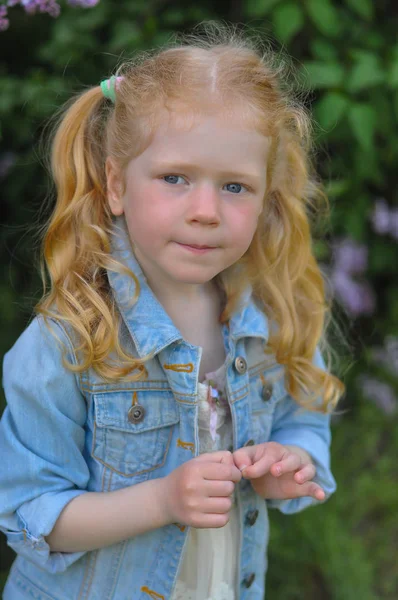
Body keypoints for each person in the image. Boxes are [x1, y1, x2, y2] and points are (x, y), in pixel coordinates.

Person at [0, 21, 345, 600]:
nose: (205, 210)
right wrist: (162, 500)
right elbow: (31, 513)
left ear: (265, 199)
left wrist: (290, 465)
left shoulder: (274, 319)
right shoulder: (69, 341)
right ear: (116, 186)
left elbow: (302, 424)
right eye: (175, 178)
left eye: (235, 187)